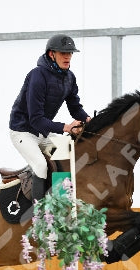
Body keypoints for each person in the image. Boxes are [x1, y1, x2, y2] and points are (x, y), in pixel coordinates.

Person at [8, 34, 91, 201]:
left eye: (70, 53)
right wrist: (66, 128)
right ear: (51, 54)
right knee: (40, 166)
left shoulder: (69, 77)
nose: (67, 56)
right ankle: (39, 216)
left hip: (43, 133)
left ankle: (61, 205)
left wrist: (89, 120)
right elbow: (36, 120)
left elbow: (75, 108)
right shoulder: (37, 75)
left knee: (66, 156)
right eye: (63, 53)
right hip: (23, 132)